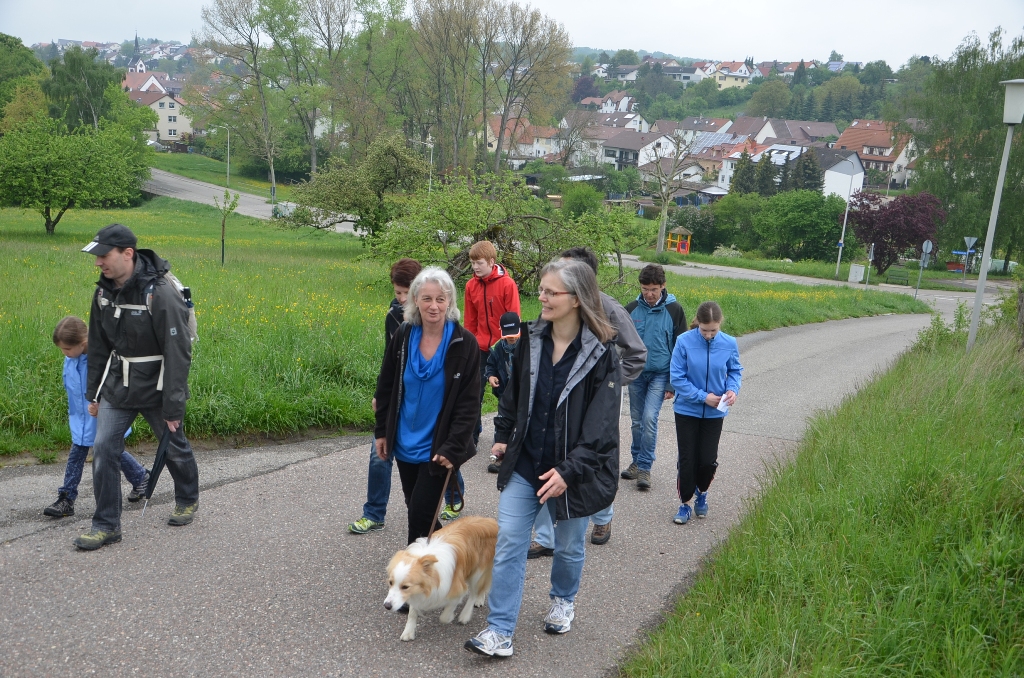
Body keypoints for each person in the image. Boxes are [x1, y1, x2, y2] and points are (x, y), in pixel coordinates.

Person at [465, 260, 620, 658]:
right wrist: (503, 436)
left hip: (572, 473)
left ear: (576, 299)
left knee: (568, 547)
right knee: (509, 543)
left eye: (551, 292)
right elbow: (513, 395)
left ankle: (563, 599)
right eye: (542, 290)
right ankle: (499, 631)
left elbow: (602, 428)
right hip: (526, 463)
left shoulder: (602, 354)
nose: (542, 297)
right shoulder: (531, 340)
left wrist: (569, 471)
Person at [75, 224, 200, 551]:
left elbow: (178, 352)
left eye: (104, 255)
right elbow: (99, 346)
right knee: (104, 448)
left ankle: (187, 498)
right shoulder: (103, 294)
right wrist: (94, 393)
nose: (98, 262)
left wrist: (173, 406)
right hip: (118, 385)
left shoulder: (160, 293)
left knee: (173, 446)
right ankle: (106, 525)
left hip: (158, 386)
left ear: (127, 253)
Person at [373, 267, 481, 544]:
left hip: (438, 448)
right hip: (404, 443)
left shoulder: (464, 343)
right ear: (415, 301)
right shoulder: (404, 335)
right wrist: (381, 432)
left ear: (450, 301)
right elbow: (386, 386)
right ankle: (451, 555)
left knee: (420, 516)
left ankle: (414, 570)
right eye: (427, 299)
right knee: (419, 511)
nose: (434, 306)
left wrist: (453, 447)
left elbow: (469, 404)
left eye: (441, 299)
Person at [552, 247, 647, 546]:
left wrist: (610, 385)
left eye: (566, 270)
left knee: (595, 454)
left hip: (599, 400)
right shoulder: (556, 303)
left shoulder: (608, 307)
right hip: (564, 396)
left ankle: (603, 518)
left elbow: (636, 353)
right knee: (560, 453)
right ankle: (551, 528)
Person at [43, 316, 148, 519]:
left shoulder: (101, 358)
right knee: (85, 452)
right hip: (81, 419)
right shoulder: (71, 359)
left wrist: (103, 405)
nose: (64, 353)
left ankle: (140, 477)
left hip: (103, 415)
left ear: (82, 343)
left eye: (66, 349)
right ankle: (67, 497)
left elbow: (114, 384)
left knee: (108, 450)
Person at [347, 258, 422, 535]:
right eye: (397, 292)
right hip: (396, 396)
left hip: (423, 399)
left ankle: (452, 494)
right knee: (379, 453)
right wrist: (381, 394)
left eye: (406, 292)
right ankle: (374, 513)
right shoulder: (393, 316)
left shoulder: (434, 315)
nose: (401, 298)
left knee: (433, 452)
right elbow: (388, 361)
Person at [451, 240, 520, 520]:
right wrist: (468, 345)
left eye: (479, 263)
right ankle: (473, 434)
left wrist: (508, 343)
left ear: (491, 262)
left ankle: (507, 438)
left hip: (503, 346)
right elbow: (470, 320)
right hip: (479, 346)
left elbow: (513, 317)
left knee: (506, 394)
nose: (475, 267)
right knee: (473, 392)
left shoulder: (507, 284)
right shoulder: (470, 285)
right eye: (472, 263)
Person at [669, 301, 743, 525]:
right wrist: (703, 397)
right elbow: (677, 378)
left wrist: (732, 390)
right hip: (686, 410)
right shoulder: (684, 341)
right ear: (697, 323)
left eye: (713, 330)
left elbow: (735, 371)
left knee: (707, 460)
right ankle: (685, 503)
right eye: (704, 330)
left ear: (720, 324)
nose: (709, 335)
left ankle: (702, 492)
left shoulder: (729, 343)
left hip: (715, 413)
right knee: (687, 458)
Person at [621, 264, 687, 491]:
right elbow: (621, 343)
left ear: (663, 287)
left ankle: (645, 467)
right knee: (636, 421)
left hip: (661, 373)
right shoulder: (630, 309)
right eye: (645, 289)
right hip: (636, 374)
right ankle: (636, 461)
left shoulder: (674, 310)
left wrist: (672, 383)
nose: (649, 294)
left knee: (649, 418)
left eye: (654, 290)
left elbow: (680, 350)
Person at [484, 311, 521, 474]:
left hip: (522, 393)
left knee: (520, 423)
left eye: (514, 334)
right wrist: (491, 376)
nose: (511, 338)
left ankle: (518, 457)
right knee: (502, 422)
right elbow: (490, 366)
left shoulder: (526, 346)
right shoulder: (498, 348)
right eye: (508, 335)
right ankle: (498, 456)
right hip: (504, 393)